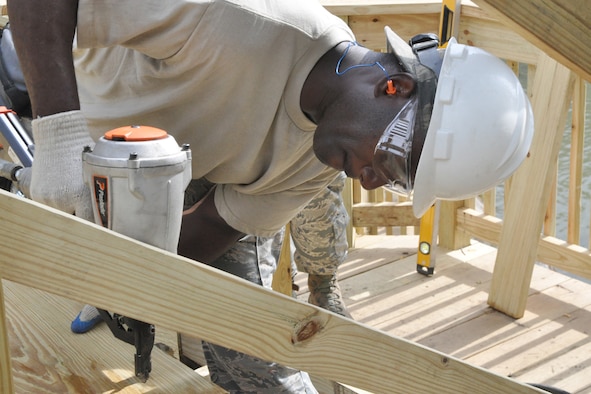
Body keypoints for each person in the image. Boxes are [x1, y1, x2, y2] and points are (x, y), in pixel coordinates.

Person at [8, 0, 534, 391]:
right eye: (393, 163)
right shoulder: (236, 16)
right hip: (95, 136)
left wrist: (124, 285)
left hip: (199, 167)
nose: (372, 183)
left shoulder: (321, 158)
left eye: (397, 182)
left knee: (252, 344)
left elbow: (211, 229)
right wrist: (59, 133)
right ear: (391, 86)